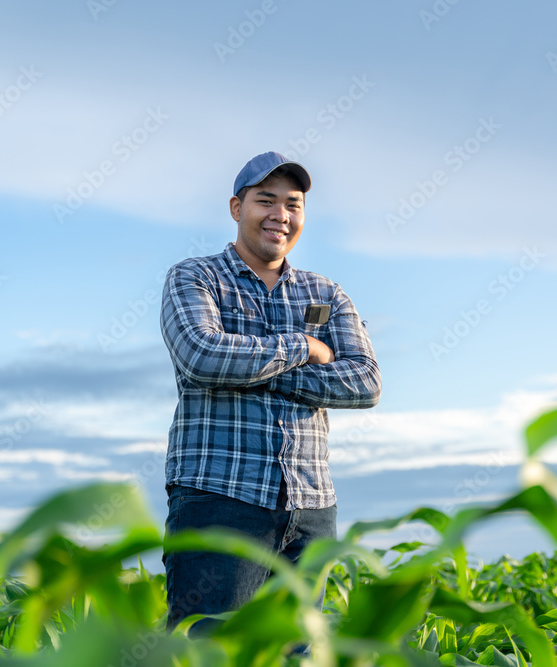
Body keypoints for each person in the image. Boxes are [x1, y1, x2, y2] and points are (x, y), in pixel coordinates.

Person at [159, 151, 381, 639]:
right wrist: (304, 347)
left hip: (311, 506)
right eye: (266, 201)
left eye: (293, 204)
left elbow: (364, 383)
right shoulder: (195, 277)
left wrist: (256, 370)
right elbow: (202, 356)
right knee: (211, 647)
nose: (281, 215)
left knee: (297, 651)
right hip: (220, 498)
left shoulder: (326, 294)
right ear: (237, 208)